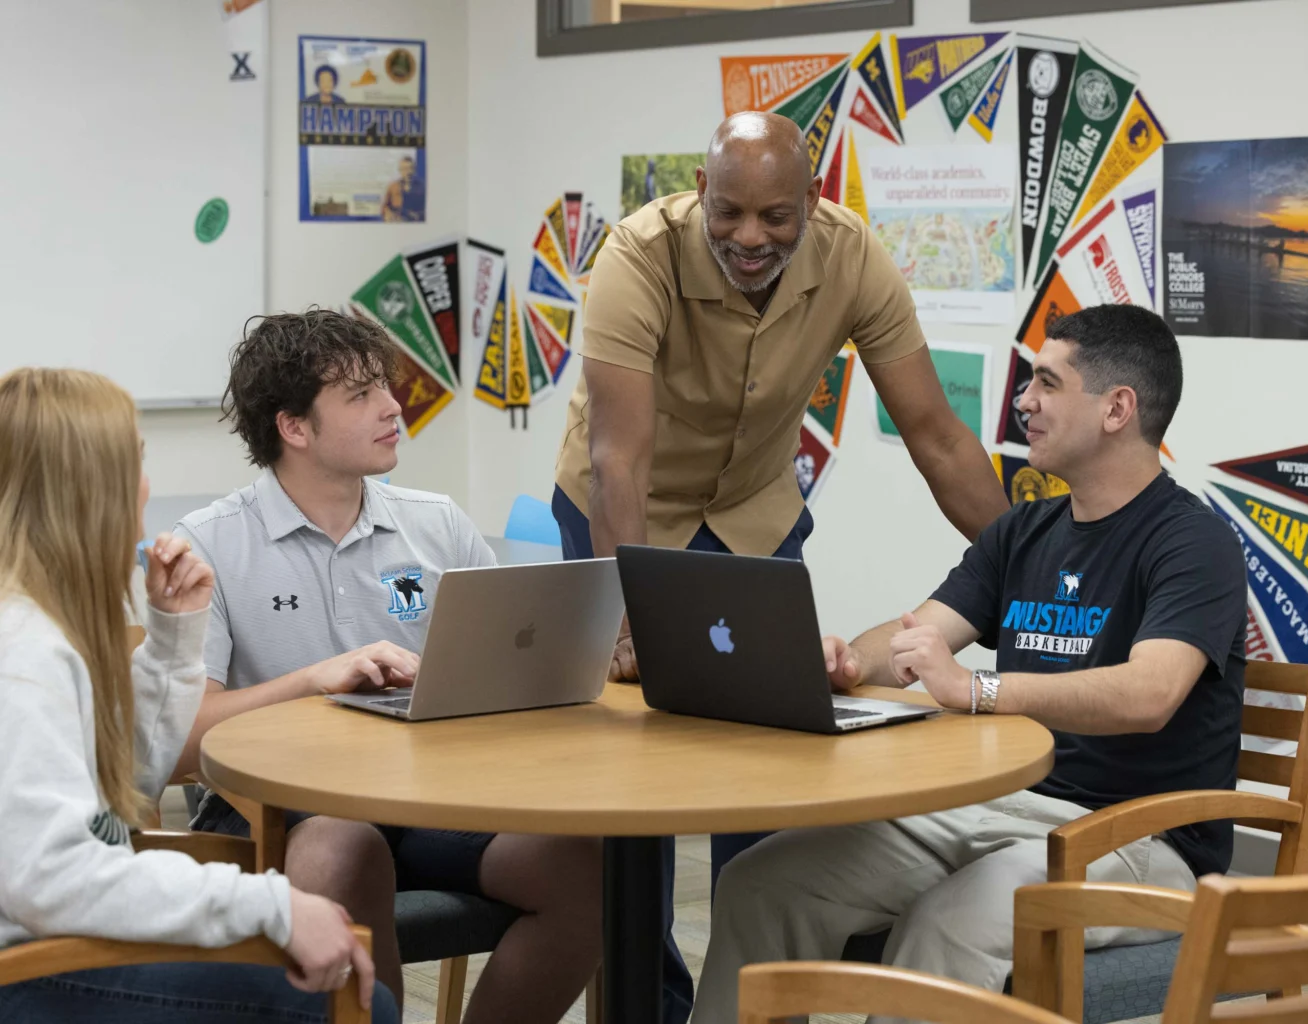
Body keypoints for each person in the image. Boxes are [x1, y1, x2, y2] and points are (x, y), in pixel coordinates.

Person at [553, 109, 1010, 1024]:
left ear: (813, 198)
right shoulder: (637, 256)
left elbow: (936, 435)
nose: (748, 237)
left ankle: (753, 1006)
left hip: (753, 513)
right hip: (622, 510)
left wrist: (1021, 567)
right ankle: (649, 1001)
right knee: (628, 772)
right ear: (699, 191)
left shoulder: (854, 258)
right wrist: (629, 617)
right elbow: (620, 463)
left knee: (767, 764)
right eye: (726, 213)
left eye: (773, 216)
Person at [692, 305, 1249, 1023]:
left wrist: (976, 689)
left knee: (952, 917)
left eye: (1046, 384)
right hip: (1003, 806)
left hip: (1141, 837)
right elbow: (912, 639)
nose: (1023, 402)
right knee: (761, 881)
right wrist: (837, 662)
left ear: (1116, 409)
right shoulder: (1023, 530)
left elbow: (1151, 693)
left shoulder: (1192, 542)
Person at [173, 311, 600, 1024]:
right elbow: (183, 741)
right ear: (295, 428)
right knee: (345, 845)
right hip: (279, 810)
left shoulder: (436, 524)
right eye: (361, 395)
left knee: (582, 865)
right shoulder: (210, 545)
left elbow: (508, 675)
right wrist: (313, 679)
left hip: (428, 795)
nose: (392, 408)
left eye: (386, 388)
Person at [0, 368, 395, 1023]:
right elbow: (51, 879)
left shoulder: (42, 625)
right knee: (354, 1004)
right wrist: (272, 905)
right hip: (34, 968)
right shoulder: (23, 652)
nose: (146, 485)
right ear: (91, 486)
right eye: (138, 460)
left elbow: (126, 789)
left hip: (58, 936)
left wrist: (174, 637)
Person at [381, 154, 425, 223]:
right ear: (400, 170)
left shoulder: (423, 187)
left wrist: (417, 215)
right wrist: (388, 214)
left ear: (415, 170)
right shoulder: (393, 186)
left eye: (411, 168)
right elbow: (385, 207)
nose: (409, 172)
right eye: (405, 169)